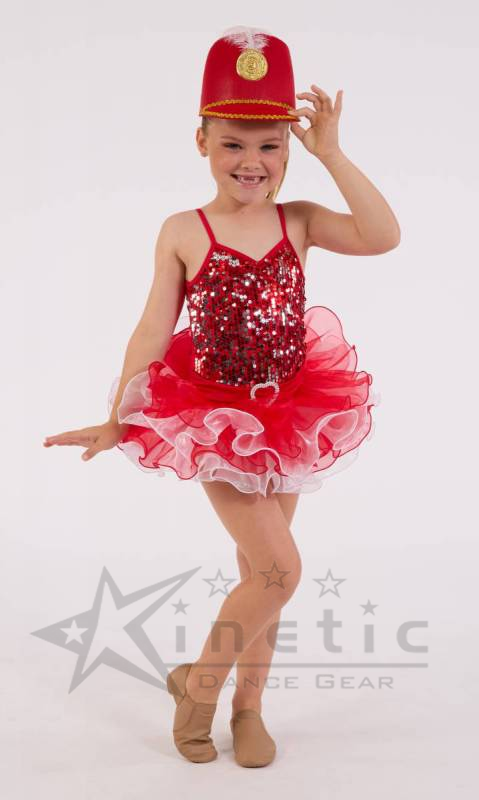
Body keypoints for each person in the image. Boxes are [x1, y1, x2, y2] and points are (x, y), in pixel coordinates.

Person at [43, 26, 399, 767]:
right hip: (214, 420)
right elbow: (152, 326)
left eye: (270, 145)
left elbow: (381, 235)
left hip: (291, 413)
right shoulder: (184, 229)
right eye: (233, 143)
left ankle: (249, 709)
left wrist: (332, 154)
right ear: (201, 140)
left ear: (289, 149)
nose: (251, 161)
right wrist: (116, 417)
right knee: (280, 571)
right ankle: (197, 687)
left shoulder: (299, 220)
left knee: (259, 578)